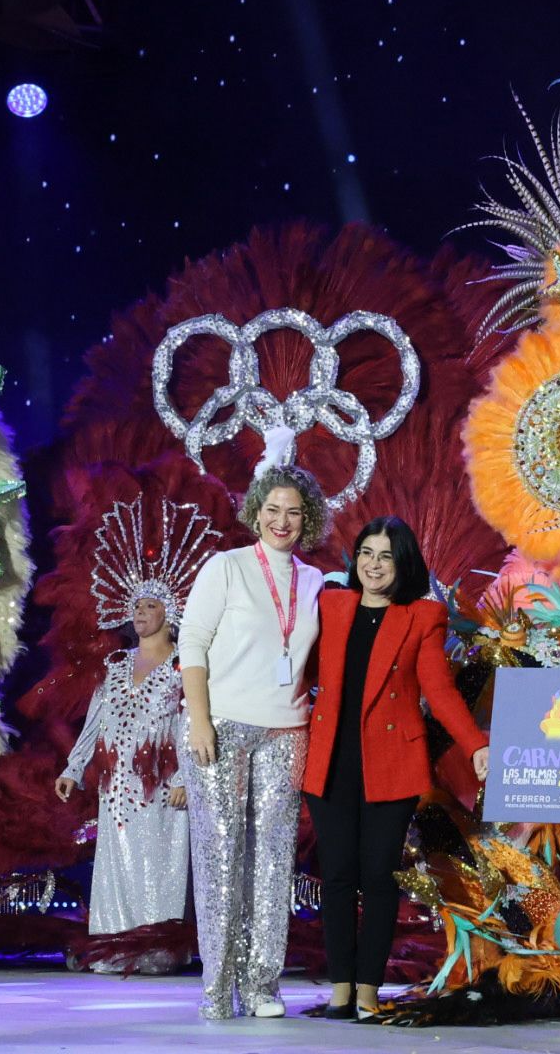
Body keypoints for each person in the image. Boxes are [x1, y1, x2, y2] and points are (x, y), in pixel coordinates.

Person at [303, 516, 492, 1020]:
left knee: (378, 876)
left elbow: (439, 689)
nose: (373, 564)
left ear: (402, 562)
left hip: (390, 761)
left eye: (386, 556)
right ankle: (341, 990)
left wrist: (475, 742)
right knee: (338, 876)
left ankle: (368, 990)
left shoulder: (422, 616)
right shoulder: (332, 604)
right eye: (366, 553)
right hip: (330, 760)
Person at [179, 436, 328, 1019]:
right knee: (220, 860)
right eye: (273, 510)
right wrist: (197, 721)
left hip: (287, 729)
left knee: (272, 864)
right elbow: (191, 644)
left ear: (307, 517)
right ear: (256, 512)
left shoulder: (316, 581)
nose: (282, 521)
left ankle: (263, 985)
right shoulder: (227, 567)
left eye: (294, 512)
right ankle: (217, 990)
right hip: (220, 723)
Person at [56, 496, 219, 972]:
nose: (141, 613)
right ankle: (112, 948)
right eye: (136, 606)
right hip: (117, 787)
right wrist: (74, 768)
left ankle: (157, 950)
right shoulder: (117, 664)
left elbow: (194, 722)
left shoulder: (182, 663)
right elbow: (96, 722)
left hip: (162, 784)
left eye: (150, 605)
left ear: (169, 611)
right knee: (116, 864)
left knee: (161, 864)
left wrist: (187, 778)